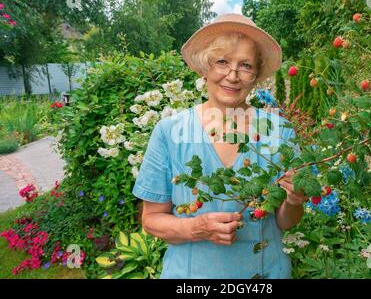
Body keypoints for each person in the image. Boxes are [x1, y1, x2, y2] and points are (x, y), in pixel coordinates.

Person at [132, 14, 308, 279]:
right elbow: (151, 220)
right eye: (222, 62)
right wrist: (197, 228)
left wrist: (294, 201)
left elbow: (285, 222)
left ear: (256, 75)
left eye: (245, 65)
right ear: (205, 68)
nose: (232, 76)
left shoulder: (279, 132)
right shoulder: (170, 133)